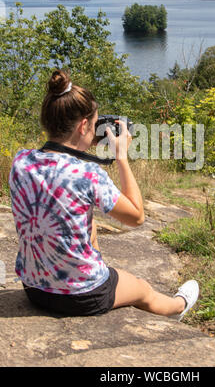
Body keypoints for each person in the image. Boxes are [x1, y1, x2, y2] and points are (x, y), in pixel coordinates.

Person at [9, 70, 199, 321]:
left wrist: (79, 147)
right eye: (95, 123)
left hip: (34, 289)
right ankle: (179, 306)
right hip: (83, 295)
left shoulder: (21, 161)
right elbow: (136, 217)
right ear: (84, 125)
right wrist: (121, 156)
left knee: (88, 221)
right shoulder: (88, 172)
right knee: (142, 289)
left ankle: (89, 263)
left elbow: (58, 179)